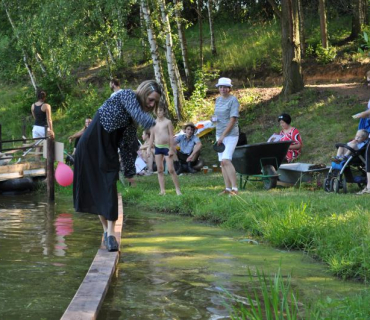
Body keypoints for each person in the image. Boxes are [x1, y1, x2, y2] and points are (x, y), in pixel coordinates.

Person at [73, 80, 161, 251]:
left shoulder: (131, 122)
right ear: (143, 94)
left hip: (107, 150)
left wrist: (129, 171)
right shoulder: (125, 95)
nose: (152, 105)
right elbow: (138, 113)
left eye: (155, 102)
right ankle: (108, 232)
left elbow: (127, 147)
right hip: (90, 145)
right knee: (98, 189)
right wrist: (153, 125)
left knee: (108, 187)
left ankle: (111, 233)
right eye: (150, 100)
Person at [213, 77, 240, 196]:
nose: (223, 89)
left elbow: (233, 120)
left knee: (226, 160)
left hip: (230, 135)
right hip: (219, 134)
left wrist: (223, 136)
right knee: (222, 163)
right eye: (221, 87)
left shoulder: (233, 100)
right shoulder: (218, 100)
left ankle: (235, 189)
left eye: (225, 87)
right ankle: (227, 188)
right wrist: (213, 119)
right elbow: (216, 116)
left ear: (229, 88)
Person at [148, 104, 182, 195]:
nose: (159, 112)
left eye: (160, 110)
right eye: (157, 111)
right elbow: (151, 137)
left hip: (166, 147)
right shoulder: (153, 123)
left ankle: (177, 189)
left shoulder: (168, 122)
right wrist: (148, 148)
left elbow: (171, 136)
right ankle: (162, 190)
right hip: (158, 147)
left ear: (164, 111)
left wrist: (171, 149)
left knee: (171, 169)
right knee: (159, 169)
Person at [31, 90, 54, 159]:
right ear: (44, 97)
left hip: (35, 128)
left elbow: (35, 117)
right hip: (43, 128)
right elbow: (49, 119)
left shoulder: (33, 106)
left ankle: (37, 164)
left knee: (38, 147)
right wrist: (51, 130)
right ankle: (49, 165)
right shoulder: (46, 106)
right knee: (49, 145)